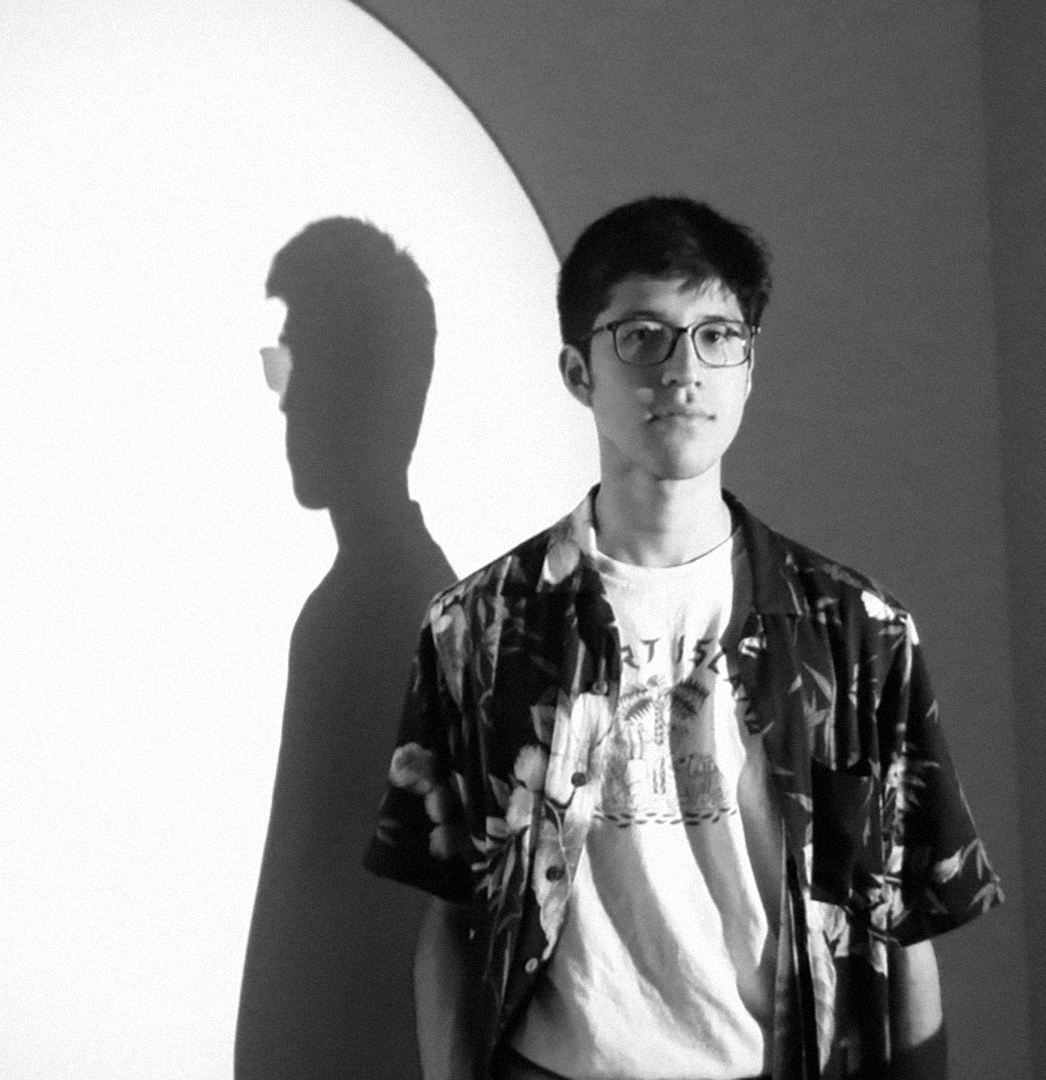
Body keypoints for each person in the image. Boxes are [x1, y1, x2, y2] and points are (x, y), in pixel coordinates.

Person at [363, 197, 1002, 1080]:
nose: (684, 369)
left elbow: (905, 926)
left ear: (749, 367)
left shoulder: (856, 630)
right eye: (643, 336)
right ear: (577, 371)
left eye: (717, 335)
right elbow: (449, 920)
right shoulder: (479, 627)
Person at [237, 218, 454, 1079]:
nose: (286, 400)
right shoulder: (396, 600)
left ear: (361, 384)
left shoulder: (383, 614)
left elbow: (340, 926)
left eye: (302, 363)